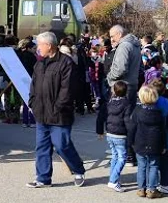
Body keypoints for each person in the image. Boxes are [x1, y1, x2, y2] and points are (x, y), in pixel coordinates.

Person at [26, 31, 86, 188]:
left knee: (62, 145)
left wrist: (57, 107)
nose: (37, 48)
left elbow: (68, 90)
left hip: (60, 115)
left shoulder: (66, 63)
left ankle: (78, 169)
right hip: (41, 113)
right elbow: (33, 85)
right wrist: (32, 102)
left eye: (40, 45)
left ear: (49, 45)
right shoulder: (40, 63)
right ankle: (43, 178)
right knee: (42, 147)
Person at [106, 25, 142, 166]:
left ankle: (126, 155)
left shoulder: (124, 46)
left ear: (119, 34)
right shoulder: (135, 45)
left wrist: (110, 77)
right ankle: (130, 154)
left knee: (121, 121)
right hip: (131, 84)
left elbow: (120, 68)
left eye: (112, 36)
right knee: (129, 119)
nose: (111, 39)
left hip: (121, 85)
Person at [128, 85, 167, 199]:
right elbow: (163, 130)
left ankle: (141, 188)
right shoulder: (159, 112)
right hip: (155, 143)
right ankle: (152, 189)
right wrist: (164, 144)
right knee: (153, 165)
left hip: (140, 142)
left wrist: (130, 142)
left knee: (142, 166)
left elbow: (132, 128)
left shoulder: (137, 111)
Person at [96, 80, 132, 192]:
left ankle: (113, 178)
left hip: (110, 133)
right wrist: (131, 135)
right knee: (122, 158)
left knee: (115, 156)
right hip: (121, 134)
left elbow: (100, 117)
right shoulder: (127, 104)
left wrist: (100, 131)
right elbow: (127, 121)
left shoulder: (108, 103)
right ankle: (113, 180)